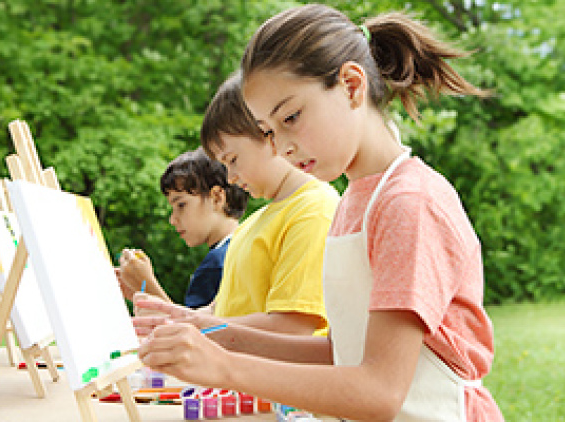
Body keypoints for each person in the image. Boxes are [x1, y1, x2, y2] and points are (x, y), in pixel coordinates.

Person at [136, 5, 503, 421]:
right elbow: (341, 353)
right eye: (270, 131)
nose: (282, 147)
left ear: (350, 86)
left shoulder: (408, 201)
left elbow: (380, 392)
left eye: (291, 116)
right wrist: (214, 333)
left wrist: (225, 367)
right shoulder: (352, 201)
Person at [133, 70, 340, 341]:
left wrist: (195, 326)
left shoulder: (314, 209)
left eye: (232, 159)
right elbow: (221, 311)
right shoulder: (251, 225)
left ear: (269, 135)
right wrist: (173, 318)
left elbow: (294, 326)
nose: (230, 177)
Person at [117, 147, 248, 308]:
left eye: (181, 204)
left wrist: (147, 287)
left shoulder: (218, 264)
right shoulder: (247, 248)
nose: (173, 219)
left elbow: (196, 330)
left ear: (216, 198)